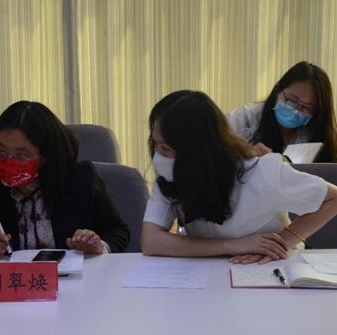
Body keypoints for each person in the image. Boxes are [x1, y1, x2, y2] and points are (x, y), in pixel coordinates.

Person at [142, 90, 337, 265]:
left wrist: (283, 241)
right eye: (156, 144)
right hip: (209, 269)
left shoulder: (261, 172)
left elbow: (333, 198)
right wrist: (234, 245)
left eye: (166, 149)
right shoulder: (170, 176)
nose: (158, 156)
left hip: (268, 267)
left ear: (198, 151)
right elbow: (151, 241)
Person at [0, 100, 129, 257]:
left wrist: (99, 246)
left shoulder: (80, 180)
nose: (9, 162)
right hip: (14, 276)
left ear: (46, 155)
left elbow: (118, 232)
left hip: (73, 275)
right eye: (1, 152)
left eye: (21, 155)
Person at [226, 61, 337, 162]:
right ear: (278, 89)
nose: (296, 111)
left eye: (307, 107)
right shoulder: (244, 120)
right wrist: (248, 156)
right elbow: (218, 156)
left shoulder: (318, 132)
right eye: (292, 101)